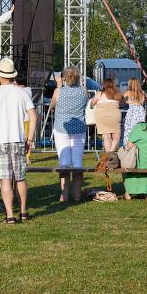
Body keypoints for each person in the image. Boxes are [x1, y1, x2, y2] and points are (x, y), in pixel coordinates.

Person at [0, 58, 37, 224]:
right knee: (20, 178)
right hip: (18, 139)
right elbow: (33, 116)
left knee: (5, 180)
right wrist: (30, 138)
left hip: (1, 141)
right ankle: (23, 212)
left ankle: (10, 215)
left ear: (0, 76)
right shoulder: (22, 93)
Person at [49, 66, 88, 203]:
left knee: (64, 163)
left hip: (62, 128)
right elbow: (86, 103)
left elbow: (53, 104)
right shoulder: (83, 90)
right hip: (79, 129)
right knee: (77, 163)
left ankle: (64, 195)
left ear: (64, 77)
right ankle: (77, 195)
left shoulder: (58, 91)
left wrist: (59, 86)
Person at [89, 78, 122, 154]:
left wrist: (91, 105)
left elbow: (93, 102)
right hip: (115, 115)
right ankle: (112, 152)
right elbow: (121, 102)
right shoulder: (117, 93)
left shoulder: (99, 93)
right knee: (116, 137)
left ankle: (108, 155)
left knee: (106, 137)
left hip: (102, 115)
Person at [121, 78, 146, 146]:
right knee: (141, 129)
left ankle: (128, 145)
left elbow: (121, 99)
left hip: (132, 111)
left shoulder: (128, 92)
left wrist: (127, 101)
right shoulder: (142, 92)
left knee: (129, 129)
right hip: (141, 111)